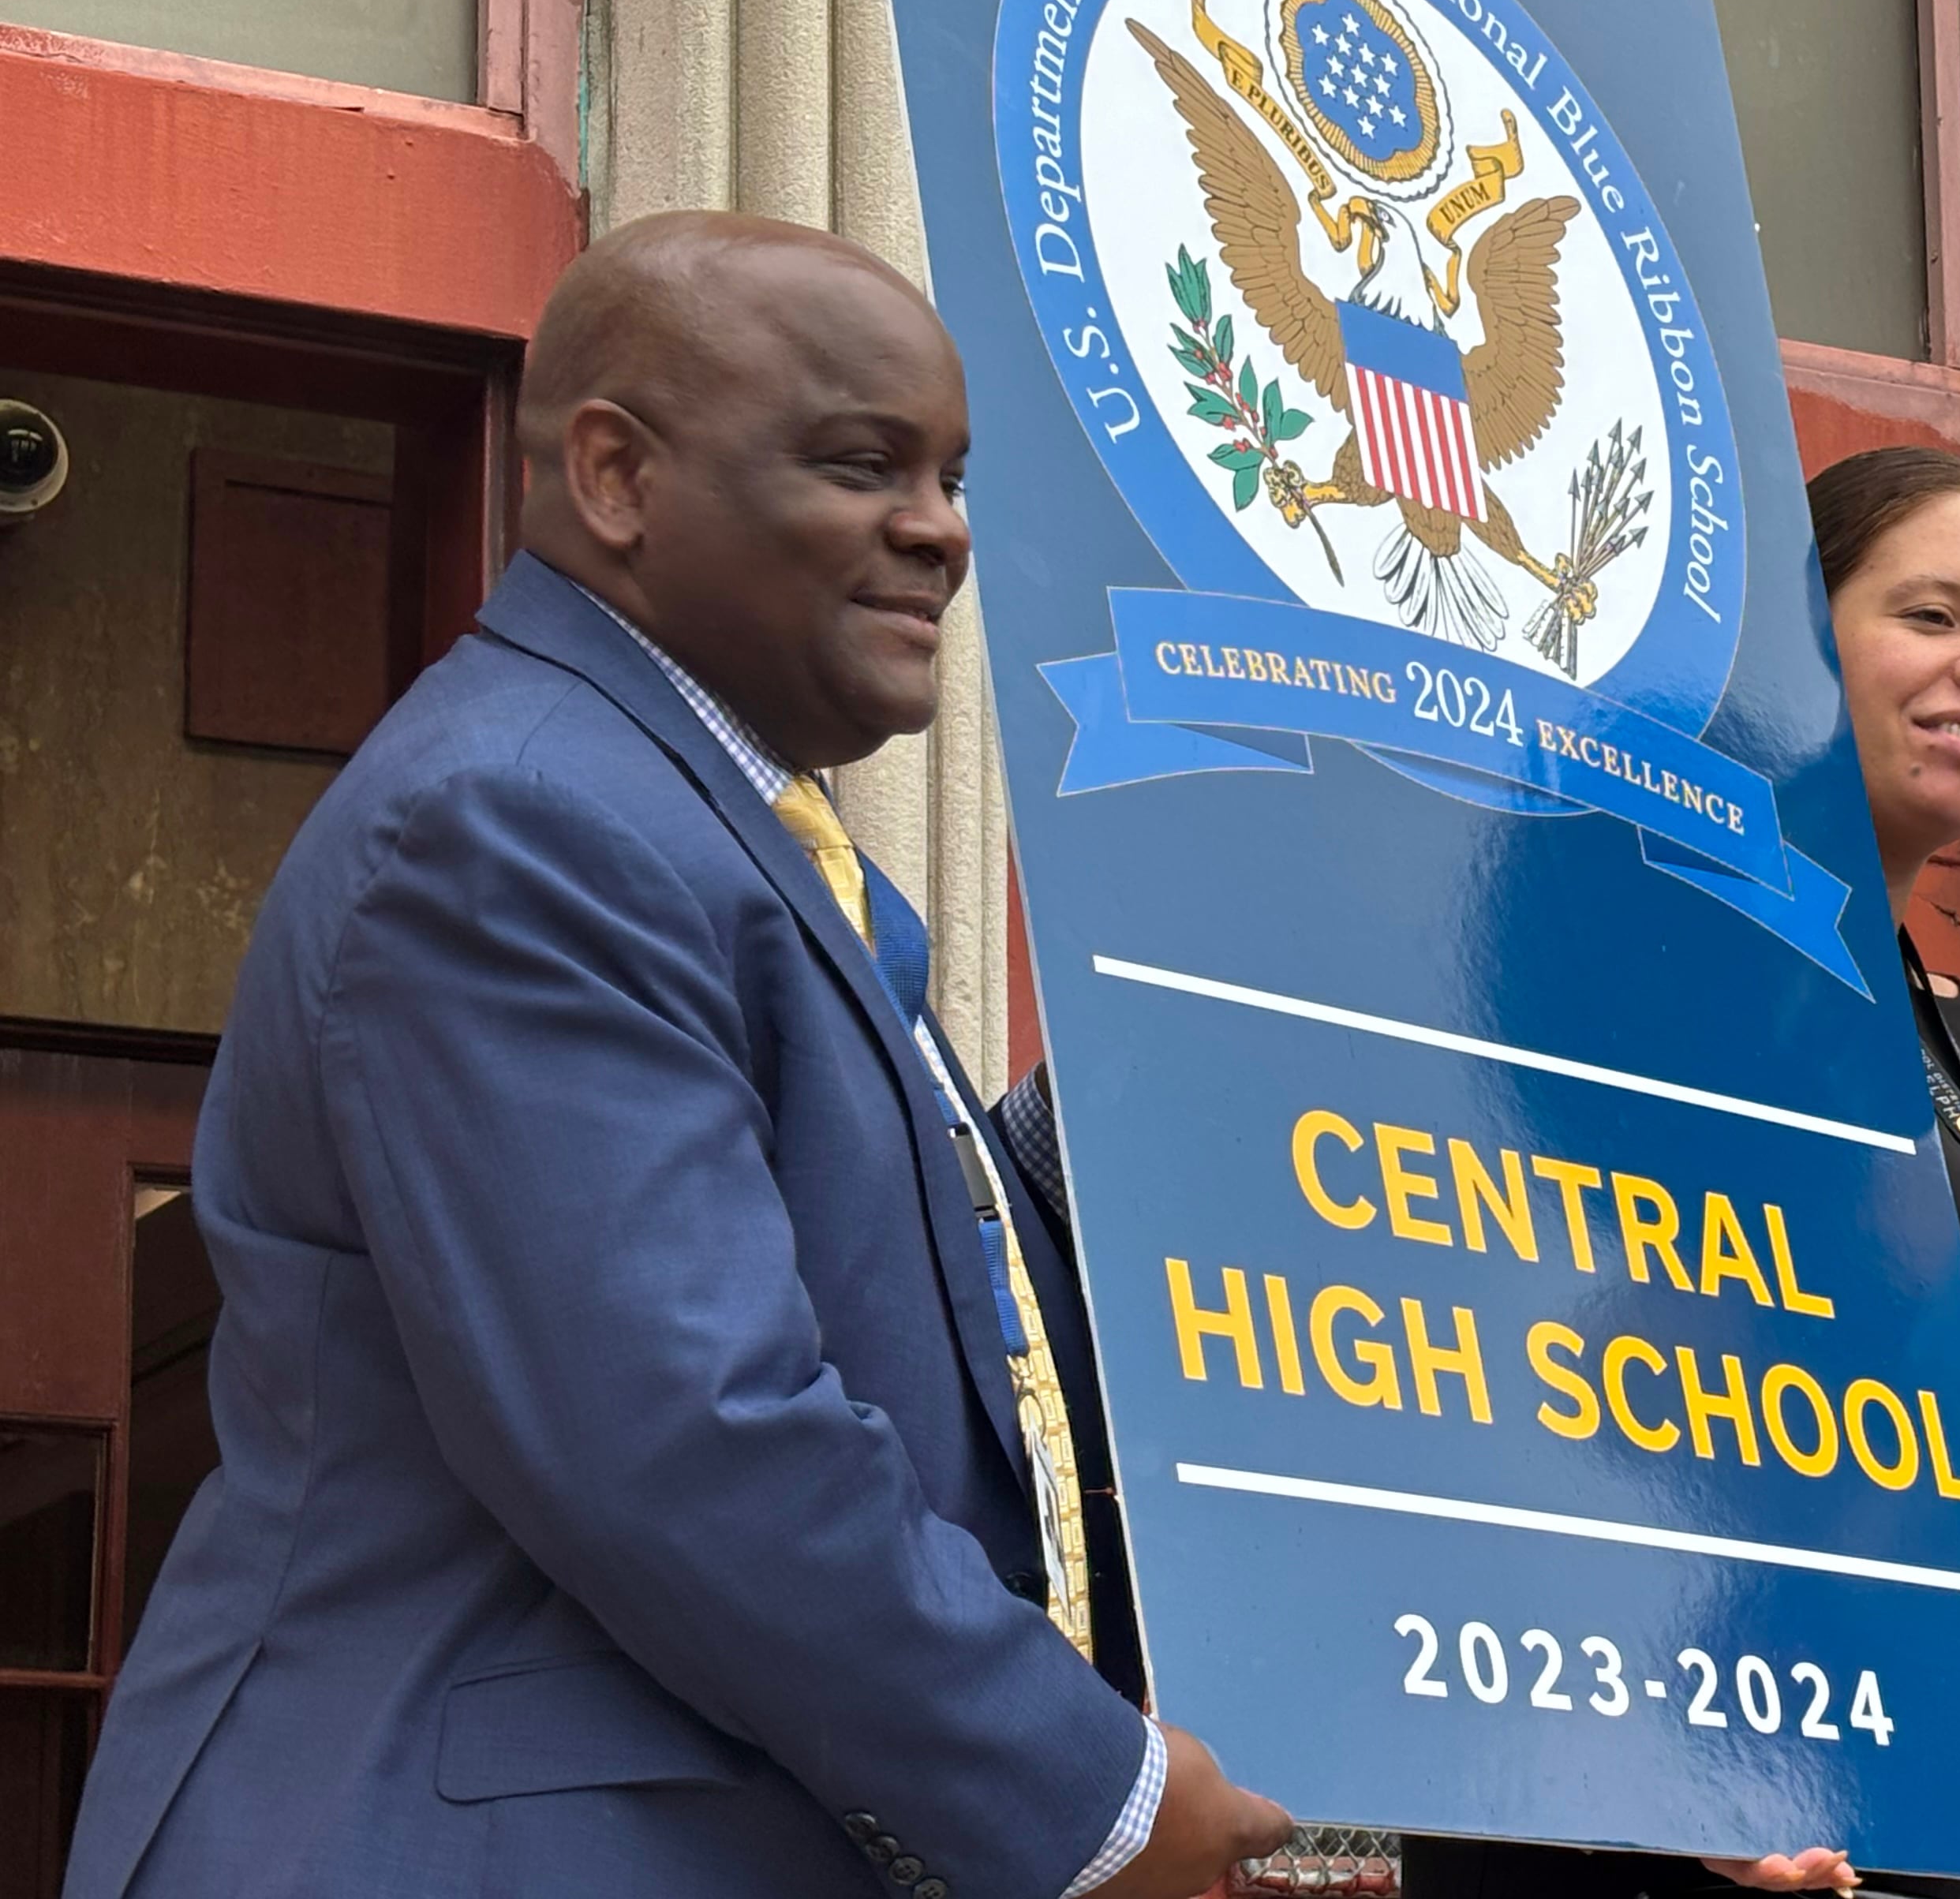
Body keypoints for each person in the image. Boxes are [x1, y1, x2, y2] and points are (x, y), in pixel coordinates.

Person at [58, 213, 1296, 1899]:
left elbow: (938, 1339)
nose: (938, 533)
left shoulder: (739, 846)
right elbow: (691, 1435)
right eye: (865, 464)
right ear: (617, 477)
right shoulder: (518, 824)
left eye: (951, 477)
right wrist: (1093, 1798)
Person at [1407, 447, 1960, 1898]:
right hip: (1659, 1824)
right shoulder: (1596, 985)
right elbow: (1469, 1389)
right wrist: (1657, 1766)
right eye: (1933, 616)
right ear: (1791, 647)